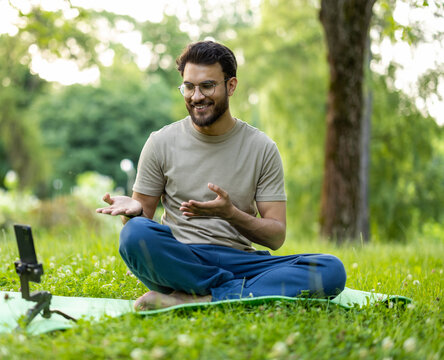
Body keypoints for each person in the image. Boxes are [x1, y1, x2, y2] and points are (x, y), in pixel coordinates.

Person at [96, 41, 346, 311]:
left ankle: (201, 298)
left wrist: (231, 214)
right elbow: (141, 233)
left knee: (330, 269)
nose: (196, 96)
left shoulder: (262, 148)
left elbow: (276, 237)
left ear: (231, 86)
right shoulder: (160, 142)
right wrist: (132, 213)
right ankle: (237, 292)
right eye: (189, 86)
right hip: (183, 258)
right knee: (134, 233)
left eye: (207, 86)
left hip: (240, 261)